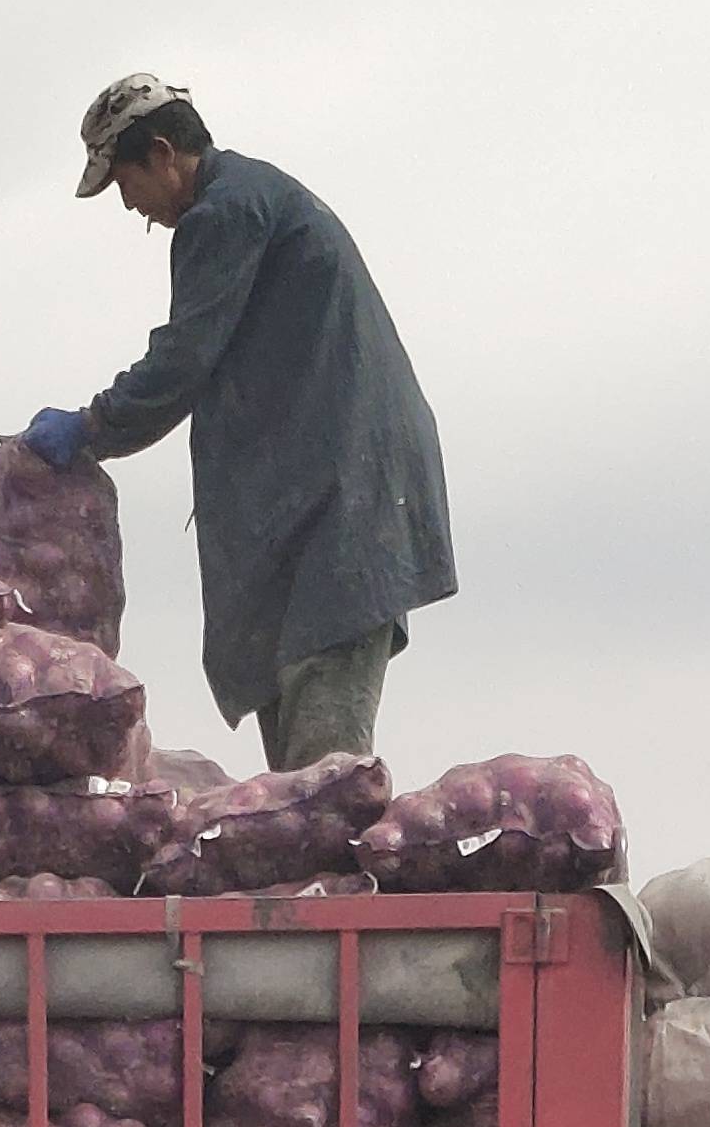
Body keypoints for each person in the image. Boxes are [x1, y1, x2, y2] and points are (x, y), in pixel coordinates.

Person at [29, 77, 451, 776]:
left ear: (161, 154)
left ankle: (332, 848)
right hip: (319, 492)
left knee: (321, 769)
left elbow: (183, 360)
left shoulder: (225, 214)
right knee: (294, 771)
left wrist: (93, 425)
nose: (130, 206)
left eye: (125, 184)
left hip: (341, 502)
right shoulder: (255, 198)